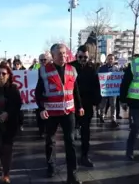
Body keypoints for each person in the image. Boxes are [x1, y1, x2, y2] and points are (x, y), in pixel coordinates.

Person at [35, 43, 83, 184]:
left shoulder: (72, 69)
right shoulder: (44, 71)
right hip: (51, 112)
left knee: (71, 142)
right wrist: (42, 108)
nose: (63, 55)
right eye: (59, 53)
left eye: (64, 53)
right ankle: (51, 166)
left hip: (69, 112)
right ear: (53, 55)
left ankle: (72, 175)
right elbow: (38, 93)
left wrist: (79, 106)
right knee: (50, 141)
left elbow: (75, 90)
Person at [70, 45, 101, 167]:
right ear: (77, 55)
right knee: (71, 132)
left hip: (87, 104)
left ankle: (84, 156)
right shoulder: (70, 67)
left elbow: (96, 85)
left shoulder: (91, 68)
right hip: (72, 103)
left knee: (86, 131)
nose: (83, 59)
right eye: (81, 56)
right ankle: (71, 158)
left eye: (85, 57)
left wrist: (96, 101)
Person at [97, 54, 120, 127]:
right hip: (104, 89)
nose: (110, 60)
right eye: (109, 59)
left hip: (113, 90)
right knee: (103, 104)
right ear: (107, 59)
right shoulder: (102, 68)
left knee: (113, 104)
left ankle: (113, 119)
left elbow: (118, 78)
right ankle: (102, 115)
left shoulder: (116, 68)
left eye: (112, 59)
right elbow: (98, 77)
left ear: (114, 60)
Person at [35, 52, 52, 138]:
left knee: (49, 117)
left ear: (49, 60)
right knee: (40, 115)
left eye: (44, 59)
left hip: (50, 98)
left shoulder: (53, 70)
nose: (42, 61)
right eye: (41, 60)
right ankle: (41, 131)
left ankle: (48, 131)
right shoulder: (35, 71)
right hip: (40, 97)